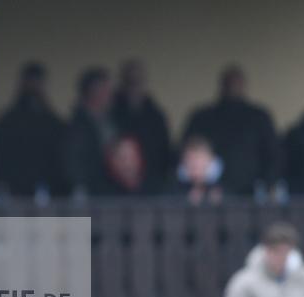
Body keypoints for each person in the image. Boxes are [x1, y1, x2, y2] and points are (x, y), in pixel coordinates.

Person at [182, 65, 279, 198]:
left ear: (244, 86)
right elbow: (185, 155)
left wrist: (268, 184)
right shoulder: (203, 118)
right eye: (228, 84)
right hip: (208, 195)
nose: (232, 88)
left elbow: (273, 155)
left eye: (236, 84)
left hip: (249, 194)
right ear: (221, 86)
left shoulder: (258, 118)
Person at [0, 61, 68, 201]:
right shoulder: (8, 120)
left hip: (48, 185)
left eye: (37, 82)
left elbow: (60, 151)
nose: (34, 86)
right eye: (30, 82)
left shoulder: (50, 120)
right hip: (15, 186)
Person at [111, 59, 171, 193]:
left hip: (152, 184)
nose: (134, 87)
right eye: (130, 82)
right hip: (114, 187)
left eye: (137, 82)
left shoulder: (156, 116)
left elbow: (165, 152)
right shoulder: (110, 113)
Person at [64, 67, 117, 198]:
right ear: (92, 92)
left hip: (111, 194)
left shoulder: (110, 123)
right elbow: (73, 165)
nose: (109, 95)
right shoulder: (77, 128)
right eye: (105, 90)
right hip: (92, 198)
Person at [169, 137, 225, 205]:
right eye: (190, 159)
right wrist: (186, 201)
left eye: (199, 159)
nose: (195, 164)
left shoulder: (223, 187)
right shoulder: (173, 189)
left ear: (210, 161)